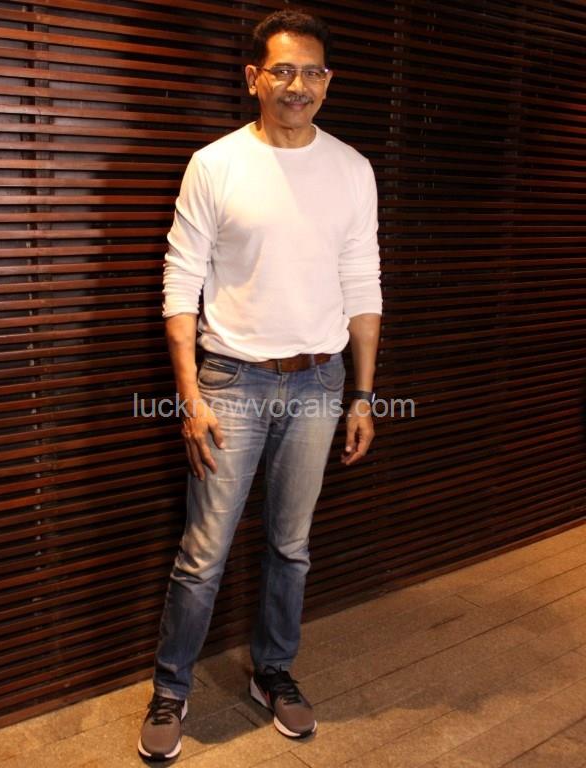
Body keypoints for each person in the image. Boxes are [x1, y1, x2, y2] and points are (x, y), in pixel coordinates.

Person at [138, 9, 382, 762]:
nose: (297, 85)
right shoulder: (215, 164)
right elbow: (180, 283)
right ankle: (171, 687)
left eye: (312, 72)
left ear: (327, 82)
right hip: (231, 382)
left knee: (291, 545)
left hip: (320, 381)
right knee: (204, 552)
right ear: (254, 78)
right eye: (282, 70)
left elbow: (362, 282)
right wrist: (191, 398)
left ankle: (272, 671)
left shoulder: (352, 169)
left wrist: (363, 394)